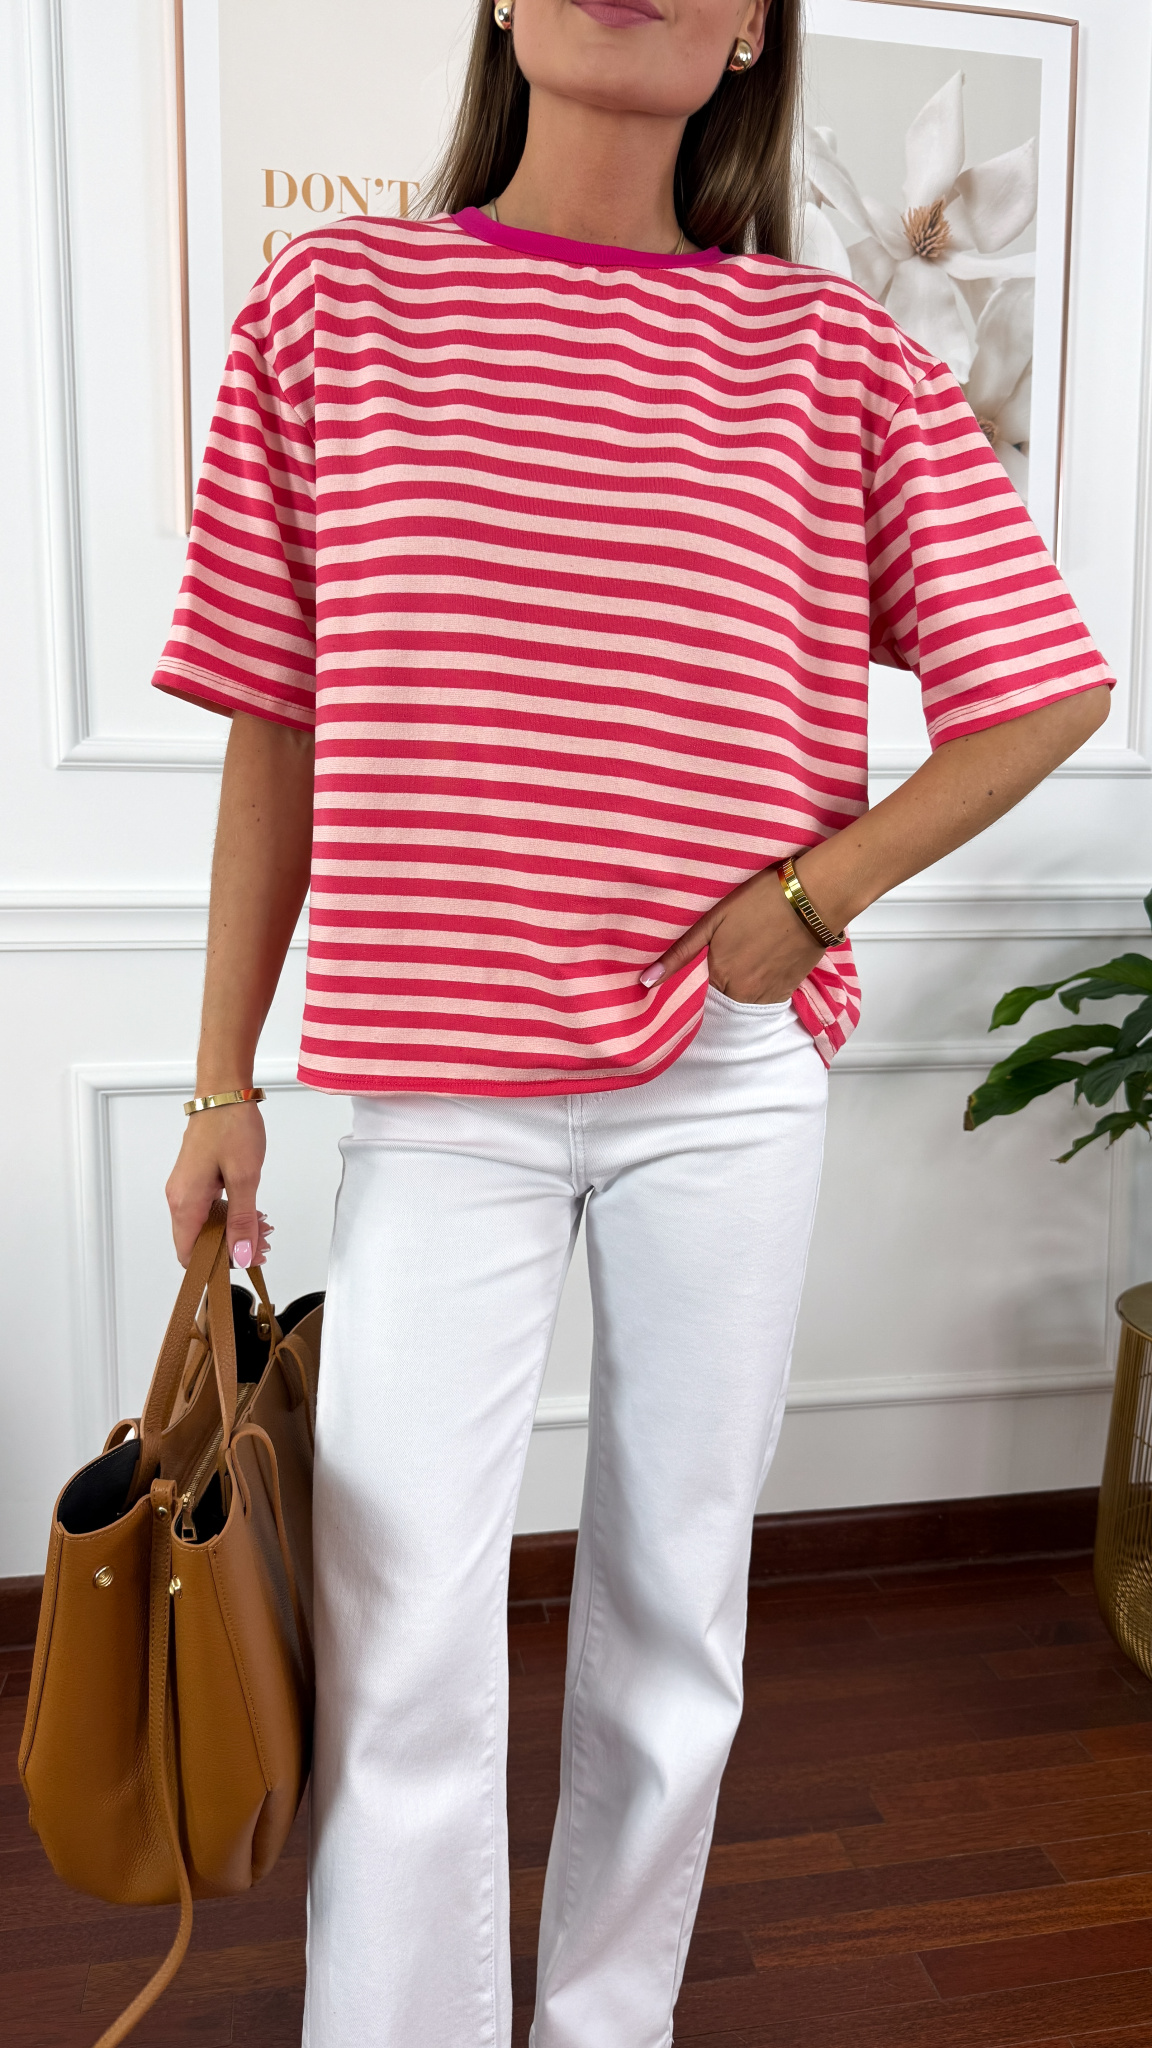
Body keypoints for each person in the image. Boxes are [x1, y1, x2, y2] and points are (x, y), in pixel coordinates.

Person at [157, 1, 1112, 2041]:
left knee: (678, 1605)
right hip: (439, 1089)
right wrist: (221, 1075)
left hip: (726, 1084)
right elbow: (275, 723)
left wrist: (810, 899)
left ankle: (607, 2024)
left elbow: (1043, 686)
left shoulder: (832, 352)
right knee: (400, 1621)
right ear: (502, 2)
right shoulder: (334, 308)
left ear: (751, 32)